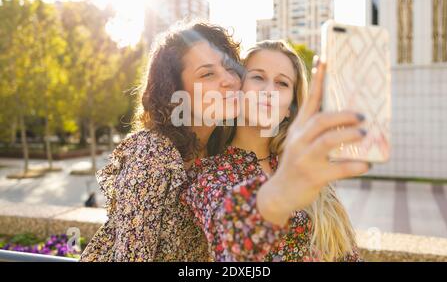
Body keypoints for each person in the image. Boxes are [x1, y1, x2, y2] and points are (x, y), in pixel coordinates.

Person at [183, 41, 369, 261]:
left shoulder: (304, 166)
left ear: (290, 109)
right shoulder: (208, 176)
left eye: (282, 83)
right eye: (258, 77)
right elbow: (230, 242)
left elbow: (347, 252)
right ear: (237, 91)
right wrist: (281, 193)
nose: (269, 91)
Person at [80, 21, 243, 261]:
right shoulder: (151, 153)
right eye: (207, 73)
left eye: (230, 68)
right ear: (176, 91)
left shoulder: (220, 152)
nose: (229, 80)